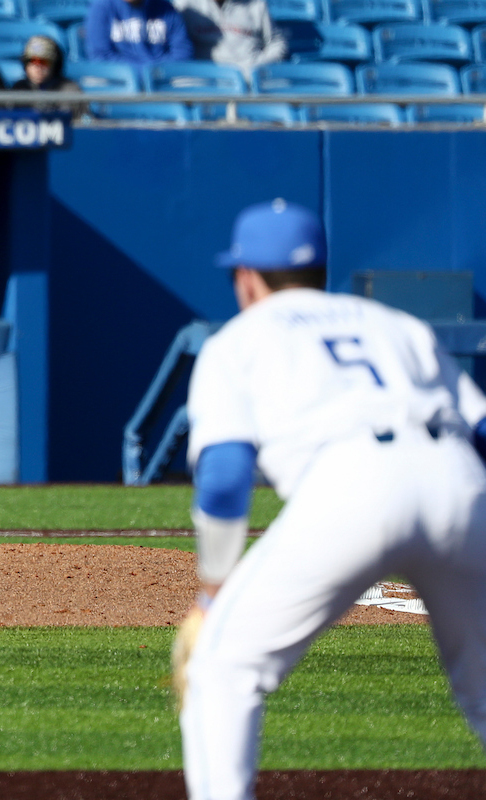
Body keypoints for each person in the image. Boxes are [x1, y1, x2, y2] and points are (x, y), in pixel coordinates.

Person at [179, 199, 486, 799]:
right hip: (460, 482)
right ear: (321, 269)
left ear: (245, 279)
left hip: (352, 486)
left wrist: (213, 591)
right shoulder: (396, 326)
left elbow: (223, 474)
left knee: (221, 669)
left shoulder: (238, 340)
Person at [173, 0, 285, 79]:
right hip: (205, 79)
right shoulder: (186, 5)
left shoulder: (256, 5)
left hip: (249, 77)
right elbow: (177, 45)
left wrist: (258, 65)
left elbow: (277, 42)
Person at [86, 0, 193, 65]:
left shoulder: (166, 9)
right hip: (120, 78)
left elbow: (183, 53)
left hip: (163, 76)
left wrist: (156, 72)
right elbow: (100, 56)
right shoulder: (101, 7)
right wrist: (142, 72)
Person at [10, 35, 79, 93]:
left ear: (55, 65)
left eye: (44, 62)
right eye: (33, 61)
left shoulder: (69, 91)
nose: (38, 67)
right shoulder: (19, 89)